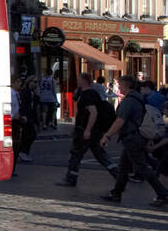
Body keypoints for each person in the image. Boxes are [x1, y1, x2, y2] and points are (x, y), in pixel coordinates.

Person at [100, 74, 168, 206]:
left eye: (120, 85)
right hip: (136, 137)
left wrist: (107, 135)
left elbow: (120, 120)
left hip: (132, 138)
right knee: (124, 167)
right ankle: (116, 193)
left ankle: (163, 194)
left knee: (142, 167)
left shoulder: (129, 101)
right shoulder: (140, 99)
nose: (119, 88)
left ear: (126, 85)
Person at [58, 72, 117, 187]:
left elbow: (93, 113)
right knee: (100, 155)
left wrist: (87, 130)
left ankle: (71, 179)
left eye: (79, 79)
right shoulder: (92, 93)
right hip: (94, 131)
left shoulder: (88, 95)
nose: (77, 82)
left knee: (76, 154)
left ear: (84, 81)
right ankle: (118, 175)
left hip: (86, 131)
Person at [12, 76, 37, 164]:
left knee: (30, 134)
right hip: (18, 118)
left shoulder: (31, 93)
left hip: (24, 117)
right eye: (34, 81)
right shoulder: (21, 93)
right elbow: (23, 106)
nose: (36, 84)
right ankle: (22, 153)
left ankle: (22, 152)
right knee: (26, 135)